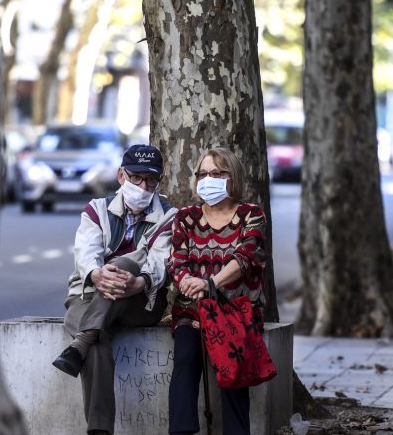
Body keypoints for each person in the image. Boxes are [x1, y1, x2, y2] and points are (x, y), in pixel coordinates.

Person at [53, 144, 177, 435]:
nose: (143, 187)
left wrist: (139, 282)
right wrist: (97, 274)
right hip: (86, 298)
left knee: (123, 263)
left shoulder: (169, 216)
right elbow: (86, 254)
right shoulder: (96, 209)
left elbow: (160, 261)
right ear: (121, 176)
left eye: (151, 180)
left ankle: (80, 342)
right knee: (97, 344)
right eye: (136, 178)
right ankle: (100, 430)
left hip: (142, 303)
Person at [166, 147, 268, 435]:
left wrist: (209, 283)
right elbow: (177, 262)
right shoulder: (185, 217)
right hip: (193, 310)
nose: (208, 179)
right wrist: (189, 282)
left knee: (233, 371)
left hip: (236, 311)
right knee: (185, 359)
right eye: (203, 174)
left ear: (232, 177)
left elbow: (246, 258)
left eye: (217, 173)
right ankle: (181, 432)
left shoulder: (251, 215)